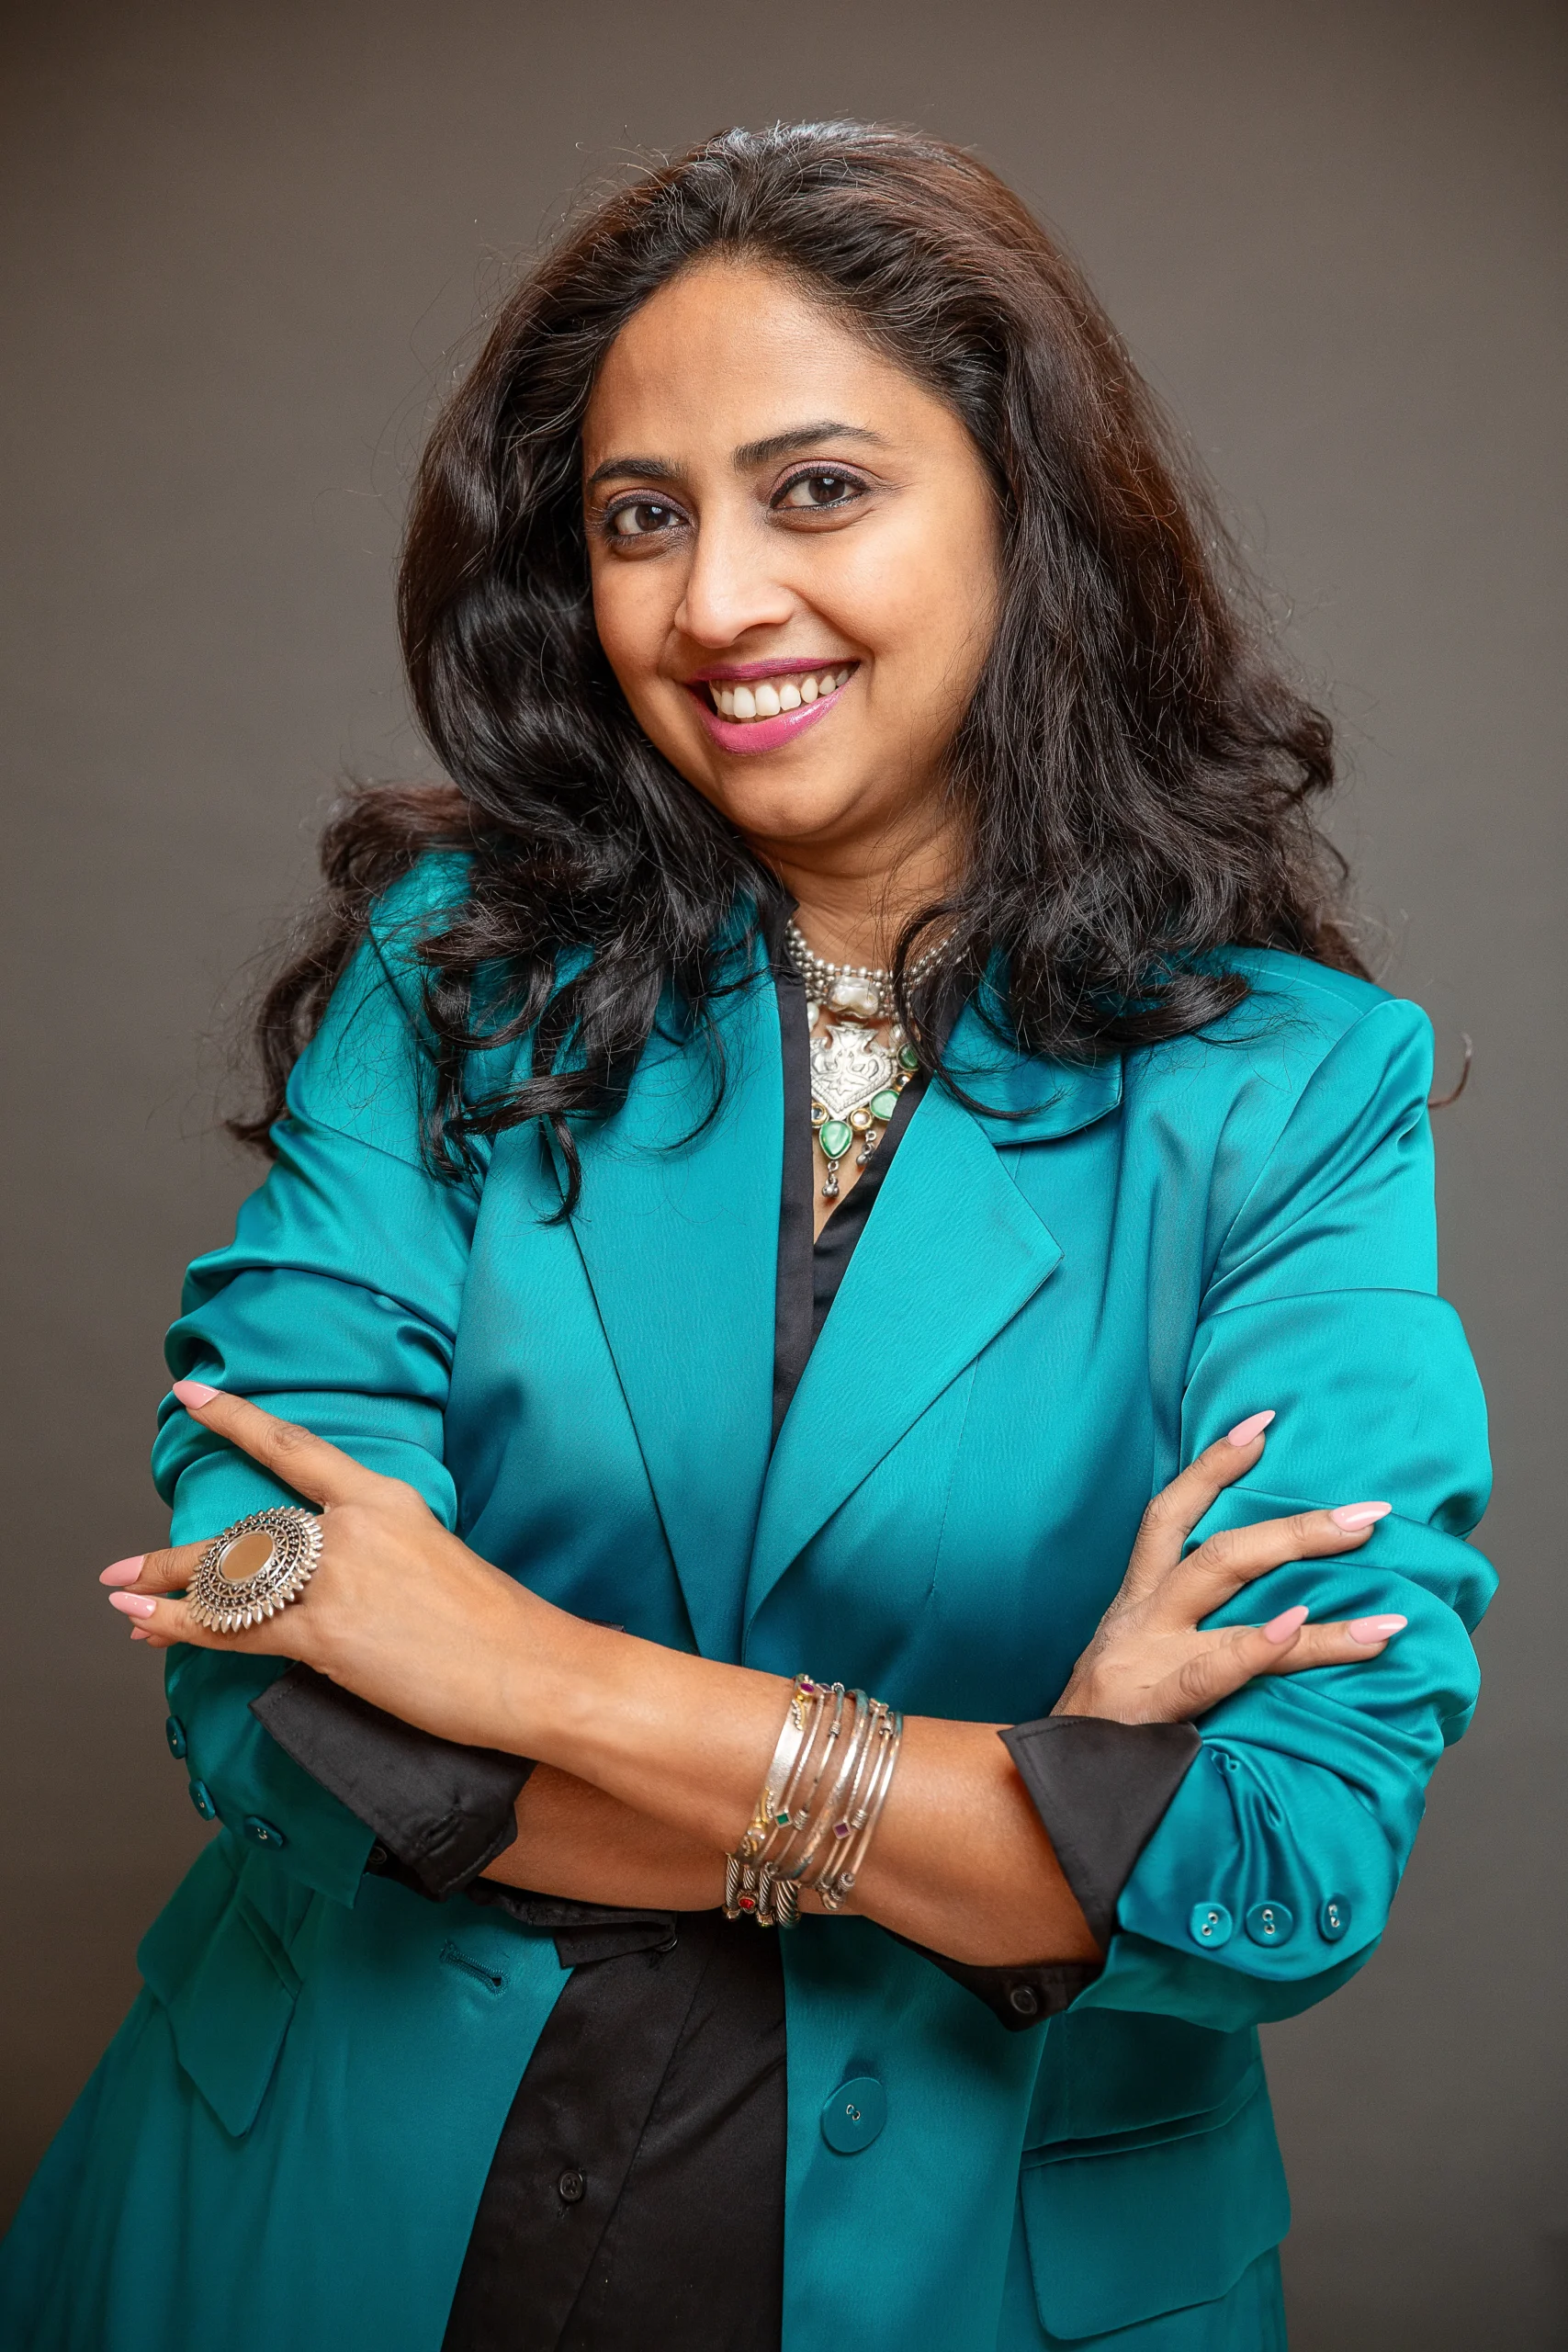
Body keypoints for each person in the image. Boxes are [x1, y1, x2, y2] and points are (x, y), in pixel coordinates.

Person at [0, 122, 1492, 2352]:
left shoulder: (1294, 1088)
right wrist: (993, 1812)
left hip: (976, 2271)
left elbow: (1282, 1853)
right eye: (641, 517)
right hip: (309, 2202)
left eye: (816, 489)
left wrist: (531, 1673)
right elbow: (263, 1670)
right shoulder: (456, 966)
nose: (712, 604)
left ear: (1024, 514)